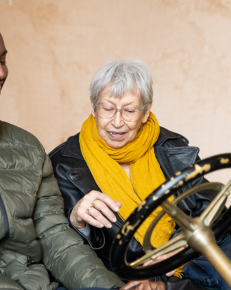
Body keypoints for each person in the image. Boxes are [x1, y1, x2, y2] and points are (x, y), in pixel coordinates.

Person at [0, 8, 126, 290]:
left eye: (2, 60)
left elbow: (55, 235)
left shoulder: (26, 147)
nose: (0, 71)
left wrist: (108, 287)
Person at [50, 59, 231, 290]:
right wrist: (77, 221)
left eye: (129, 110)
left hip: (184, 263)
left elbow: (213, 213)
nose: (117, 122)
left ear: (145, 111)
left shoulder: (171, 147)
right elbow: (59, 246)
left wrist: (183, 246)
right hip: (120, 272)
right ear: (93, 107)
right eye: (107, 109)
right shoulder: (62, 163)